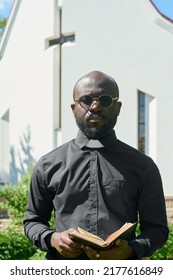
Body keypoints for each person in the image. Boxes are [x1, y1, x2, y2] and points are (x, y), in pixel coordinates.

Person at [24, 70, 169, 260]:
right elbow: (33, 221)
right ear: (73, 108)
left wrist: (131, 250)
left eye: (105, 100)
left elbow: (157, 229)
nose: (95, 107)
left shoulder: (143, 166)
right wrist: (53, 238)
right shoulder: (48, 164)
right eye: (85, 99)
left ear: (118, 107)